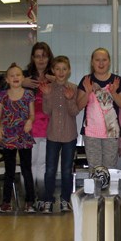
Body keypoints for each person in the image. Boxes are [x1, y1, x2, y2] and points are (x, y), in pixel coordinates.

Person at [39, 56, 80, 213]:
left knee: (66, 170)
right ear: (53, 71)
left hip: (69, 135)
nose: (61, 72)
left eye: (64, 69)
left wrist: (70, 99)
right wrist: (47, 95)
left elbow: (74, 111)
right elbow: (46, 111)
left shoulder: (74, 88)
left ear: (69, 71)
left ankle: (65, 200)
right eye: (57, 69)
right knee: (50, 169)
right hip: (53, 135)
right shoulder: (48, 88)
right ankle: (48, 200)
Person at [0, 63, 37, 213]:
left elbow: (32, 114)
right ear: (7, 79)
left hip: (24, 136)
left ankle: (30, 201)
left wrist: (30, 121)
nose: (15, 77)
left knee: (27, 170)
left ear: (23, 77)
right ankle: (6, 202)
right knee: (9, 171)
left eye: (18, 75)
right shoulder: (3, 95)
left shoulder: (28, 94)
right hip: (8, 136)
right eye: (12, 75)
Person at [76, 48, 121, 169]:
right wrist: (88, 92)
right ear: (92, 62)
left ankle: (108, 189)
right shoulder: (86, 80)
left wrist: (114, 93)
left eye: (104, 60)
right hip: (91, 133)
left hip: (111, 132)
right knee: (95, 169)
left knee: (109, 168)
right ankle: (96, 188)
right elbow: (78, 106)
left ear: (109, 62)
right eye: (97, 60)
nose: (101, 63)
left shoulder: (117, 80)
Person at [23, 42, 54, 209]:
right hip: (29, 128)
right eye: (37, 56)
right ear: (33, 58)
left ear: (49, 57)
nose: (41, 59)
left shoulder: (54, 76)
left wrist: (55, 81)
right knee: (30, 164)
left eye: (44, 55)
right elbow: (6, 90)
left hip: (49, 128)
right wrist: (21, 83)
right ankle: (29, 199)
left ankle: (42, 197)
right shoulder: (24, 77)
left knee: (43, 165)